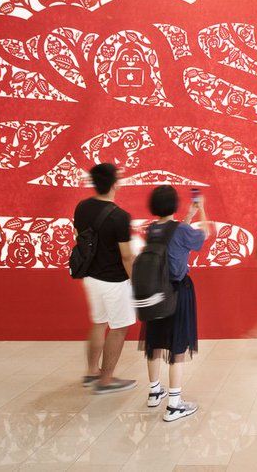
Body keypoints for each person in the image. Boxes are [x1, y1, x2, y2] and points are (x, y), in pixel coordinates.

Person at [140, 186, 212, 422]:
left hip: (155, 292)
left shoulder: (152, 230)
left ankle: (154, 392)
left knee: (154, 343)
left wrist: (188, 216)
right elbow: (205, 234)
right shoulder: (181, 230)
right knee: (177, 347)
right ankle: (174, 404)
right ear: (174, 204)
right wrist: (202, 210)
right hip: (177, 292)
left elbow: (173, 238)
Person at [73, 163, 137, 394]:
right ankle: (106, 380)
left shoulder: (82, 207)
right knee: (119, 328)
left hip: (90, 277)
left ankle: (92, 372)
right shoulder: (120, 216)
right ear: (114, 184)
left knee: (99, 323)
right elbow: (126, 256)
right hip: (114, 281)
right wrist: (136, 281)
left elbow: (79, 236)